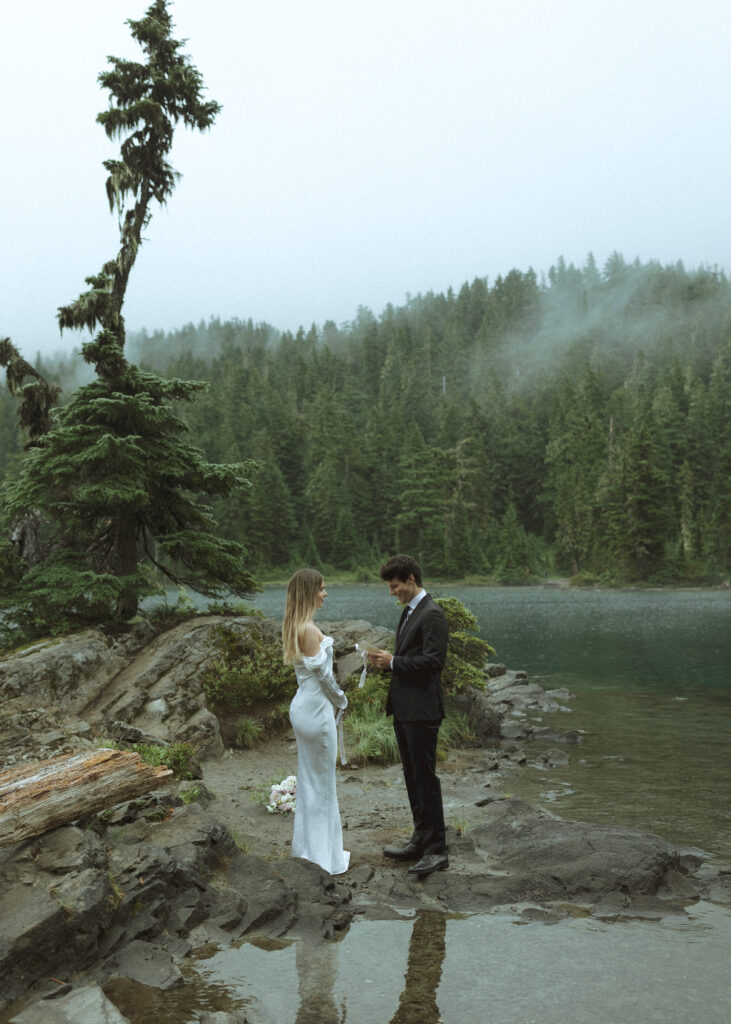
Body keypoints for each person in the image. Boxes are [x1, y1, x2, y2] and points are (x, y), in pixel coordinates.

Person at [368, 554, 449, 878]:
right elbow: (410, 658)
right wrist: (387, 661)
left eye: (395, 586)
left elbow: (434, 662)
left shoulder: (433, 614)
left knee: (426, 779)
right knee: (413, 777)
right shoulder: (410, 612)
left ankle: (437, 850)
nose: (392, 592)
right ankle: (420, 838)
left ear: (411, 580)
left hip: (423, 711)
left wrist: (394, 662)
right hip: (405, 710)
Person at [283, 568, 349, 875]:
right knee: (321, 784)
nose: (325, 593)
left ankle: (311, 851)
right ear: (310, 592)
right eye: (321, 589)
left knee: (311, 781)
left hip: (303, 708)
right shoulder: (308, 629)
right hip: (317, 713)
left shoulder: (296, 625)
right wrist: (341, 699)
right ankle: (323, 859)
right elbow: (324, 676)